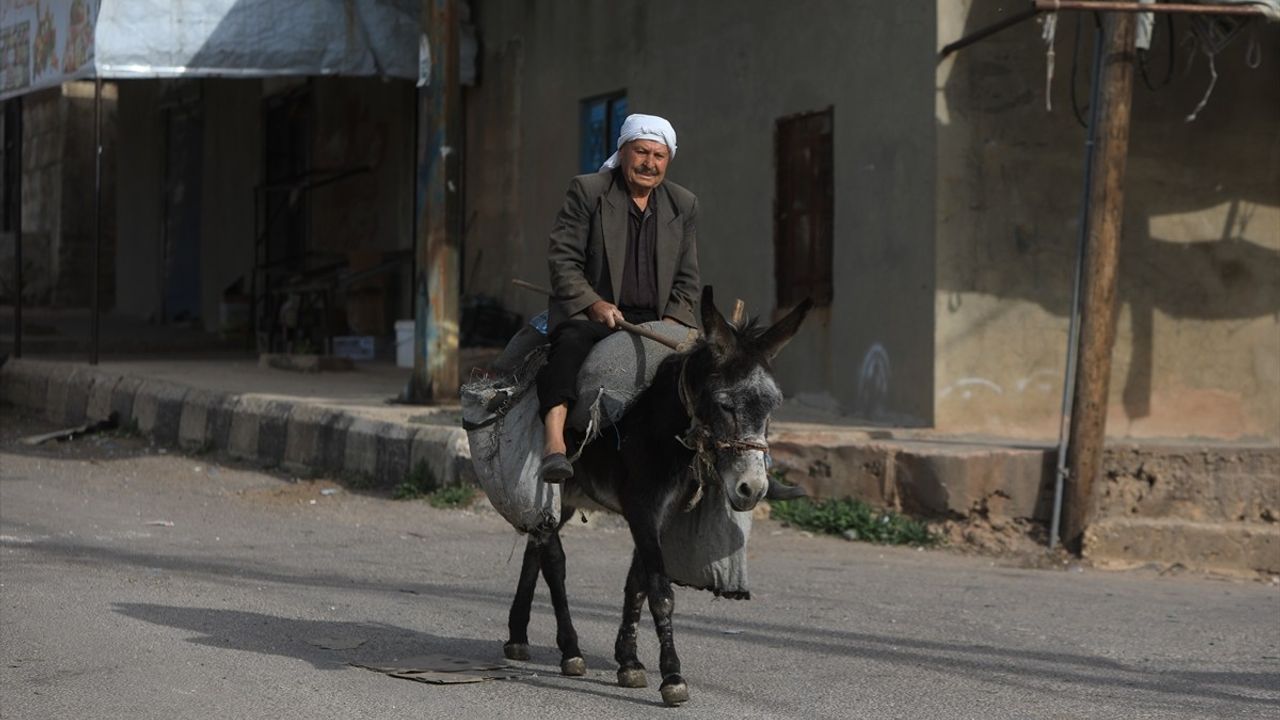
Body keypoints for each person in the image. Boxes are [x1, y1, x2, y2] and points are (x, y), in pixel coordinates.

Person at [536, 114, 700, 481]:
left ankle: (748, 463)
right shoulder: (588, 191)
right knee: (567, 347)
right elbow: (563, 261)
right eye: (641, 152)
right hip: (597, 316)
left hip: (656, 319)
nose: (649, 163)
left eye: (659, 156)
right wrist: (593, 303)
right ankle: (554, 445)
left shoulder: (682, 204)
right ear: (623, 151)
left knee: (716, 371)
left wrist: (672, 323)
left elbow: (688, 278)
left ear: (668, 160)